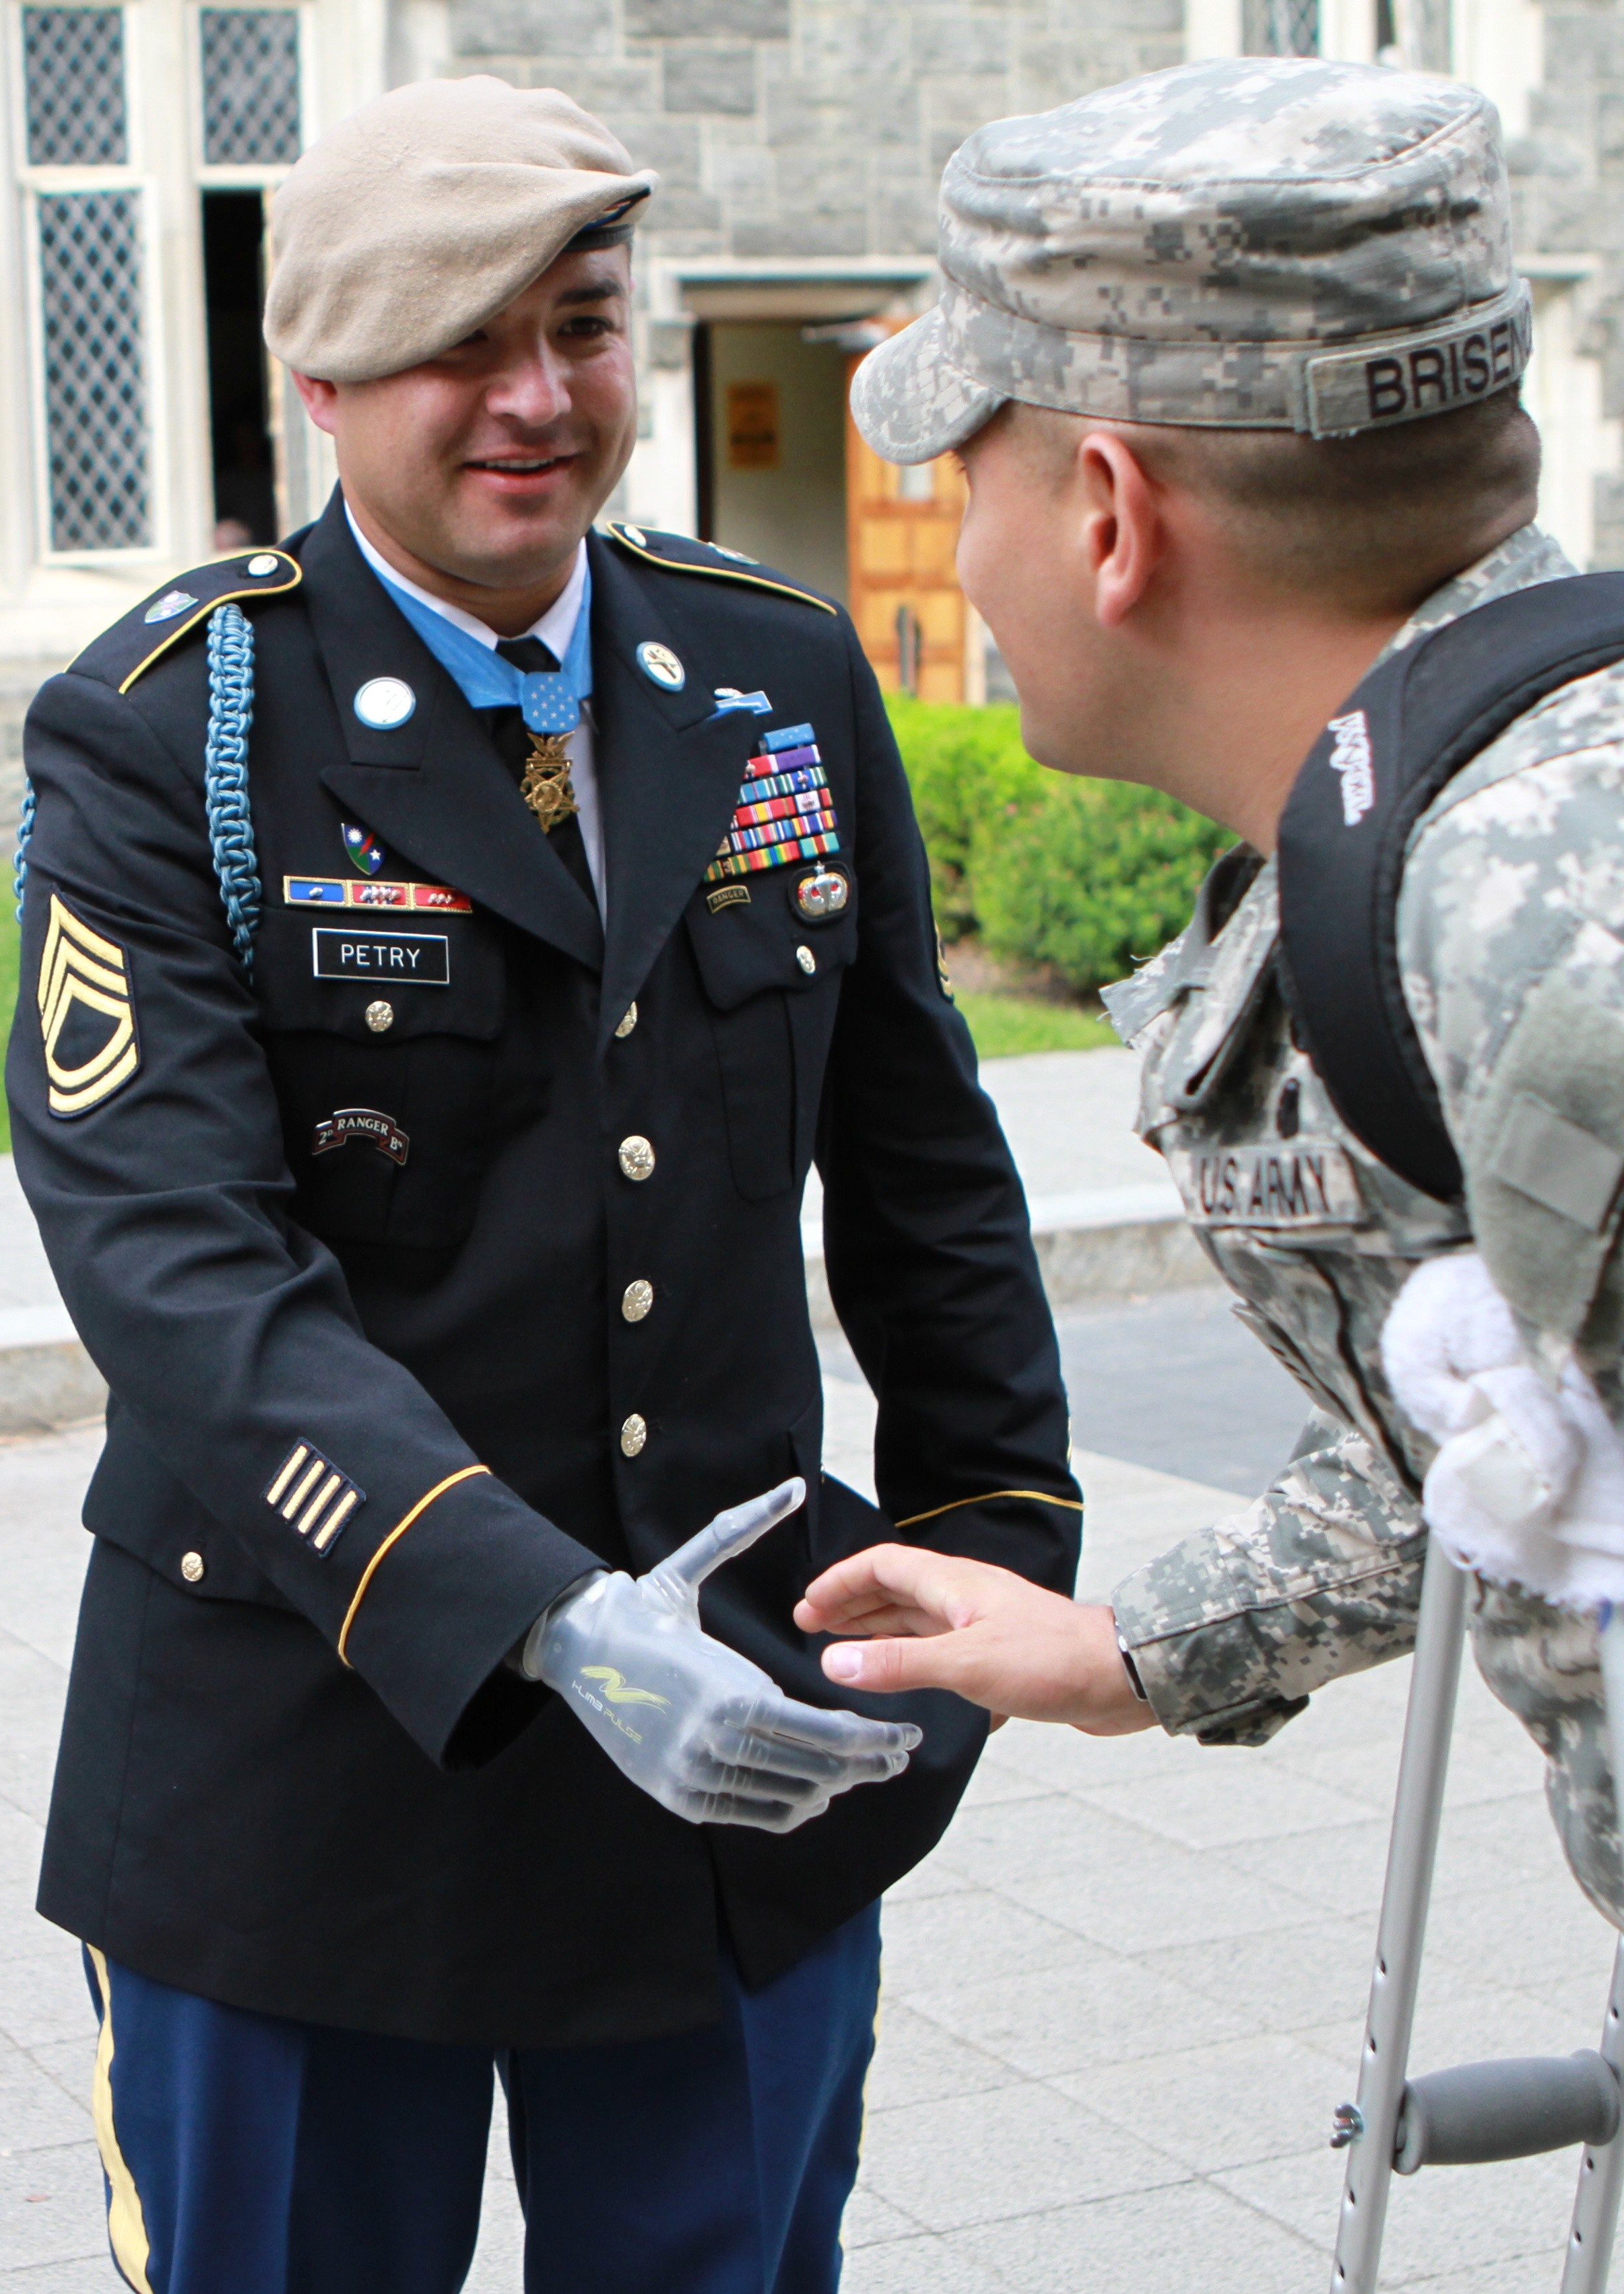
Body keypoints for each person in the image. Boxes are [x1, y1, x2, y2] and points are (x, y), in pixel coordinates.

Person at [7, 75, 1082, 2294]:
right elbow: (178, 1266)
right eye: (454, 341)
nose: (534, 397)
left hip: (728, 1798)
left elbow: (926, 1169)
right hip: (303, 1774)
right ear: (316, 378)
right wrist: (541, 1616)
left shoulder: (771, 668)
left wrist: (991, 1571)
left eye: (582, 325)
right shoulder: (172, 724)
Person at [796, 54, 1624, 1933]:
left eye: (959, 475)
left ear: (1107, 512)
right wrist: (1138, 1647)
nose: (957, 556)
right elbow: (1517, 1437)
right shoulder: (1427, 836)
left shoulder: (1543, 924)